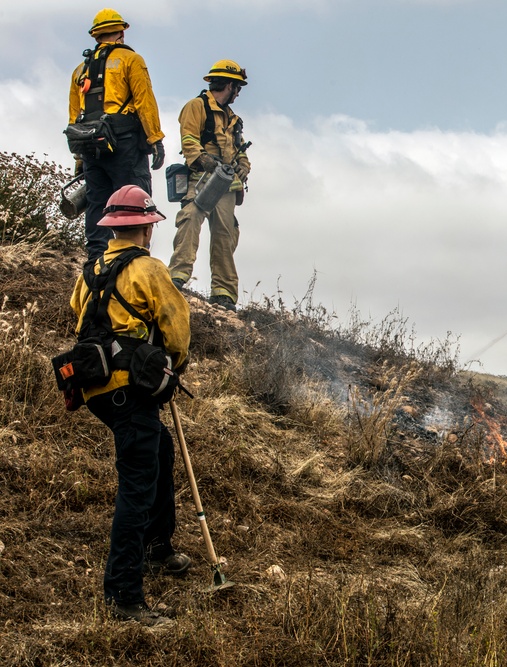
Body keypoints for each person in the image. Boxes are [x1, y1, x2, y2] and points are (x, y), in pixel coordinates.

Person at [70, 185, 191, 627]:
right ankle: (124, 594)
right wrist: (172, 367)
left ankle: (158, 547)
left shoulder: (91, 270)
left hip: (96, 389)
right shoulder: (149, 268)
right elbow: (177, 329)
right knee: (137, 485)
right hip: (130, 389)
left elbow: (78, 315)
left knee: (159, 448)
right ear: (146, 228)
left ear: (112, 227)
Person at [68, 9, 165, 261]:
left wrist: (79, 158)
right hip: (125, 145)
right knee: (134, 199)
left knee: (96, 201)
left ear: (96, 35)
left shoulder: (80, 70)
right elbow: (145, 101)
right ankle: (133, 258)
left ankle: (96, 259)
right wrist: (155, 139)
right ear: (121, 32)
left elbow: (74, 115)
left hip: (90, 146)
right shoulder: (131, 60)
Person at [168, 60, 251, 312]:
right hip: (201, 178)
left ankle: (223, 293)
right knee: (190, 218)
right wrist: (204, 159)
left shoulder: (233, 119)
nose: (238, 94)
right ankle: (176, 277)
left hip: (227, 185)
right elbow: (189, 140)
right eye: (237, 88)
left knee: (225, 234)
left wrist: (243, 166)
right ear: (229, 85)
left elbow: (239, 150)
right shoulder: (197, 106)